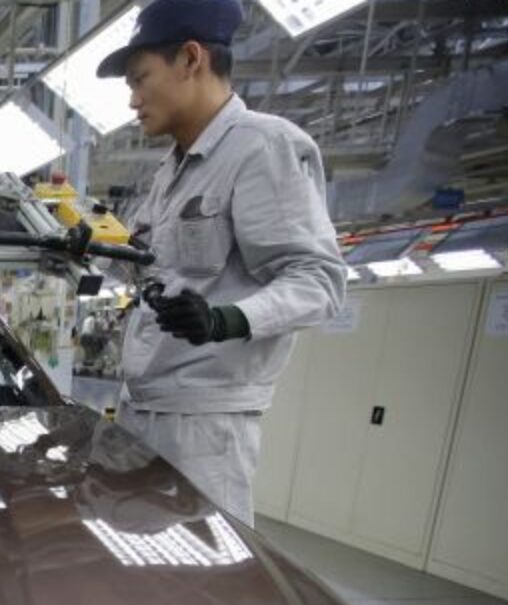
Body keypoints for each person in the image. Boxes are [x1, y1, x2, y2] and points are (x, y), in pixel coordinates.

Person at [97, 0, 345, 527]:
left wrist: (222, 320)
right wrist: (77, 247)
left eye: (140, 79)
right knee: (133, 564)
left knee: (203, 569)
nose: (133, 99)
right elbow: (149, 268)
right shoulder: (173, 171)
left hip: (201, 429)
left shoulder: (263, 147)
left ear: (191, 58)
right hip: (143, 410)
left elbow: (319, 281)